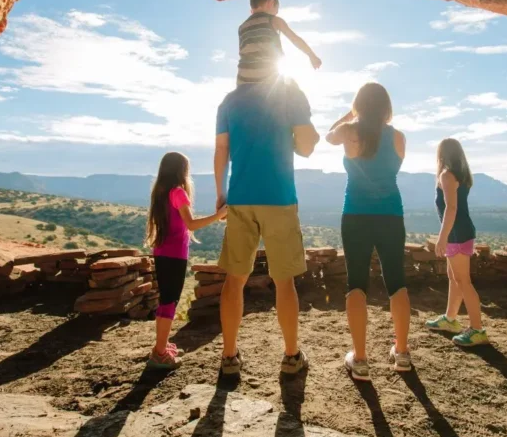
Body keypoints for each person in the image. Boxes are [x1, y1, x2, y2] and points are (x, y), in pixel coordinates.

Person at [214, 73, 319, 376]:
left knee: (234, 279)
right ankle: (291, 356)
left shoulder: (229, 101)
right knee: (284, 280)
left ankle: (229, 357)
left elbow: (221, 150)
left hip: (240, 197)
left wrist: (222, 193)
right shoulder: (287, 91)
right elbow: (308, 145)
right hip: (279, 197)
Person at [326, 82, 412, 381]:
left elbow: (328, 136)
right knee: (396, 281)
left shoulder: (350, 131)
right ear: (386, 106)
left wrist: (348, 115)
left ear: (358, 105)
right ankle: (401, 353)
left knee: (356, 283)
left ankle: (360, 359)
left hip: (356, 215)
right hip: (391, 215)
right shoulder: (399, 137)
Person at [145, 152, 228, 369]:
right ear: (181, 170)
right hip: (175, 255)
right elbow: (191, 225)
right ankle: (159, 353)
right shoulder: (178, 192)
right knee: (170, 302)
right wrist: (219, 216)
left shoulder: (161, 192)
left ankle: (161, 346)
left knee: (166, 299)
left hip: (162, 251)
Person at [425, 138, 490, 347]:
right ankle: (450, 319)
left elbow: (450, 209)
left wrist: (442, 238)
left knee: (464, 281)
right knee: (454, 278)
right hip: (462, 231)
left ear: (442, 154)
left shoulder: (446, 175)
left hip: (456, 234)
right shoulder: (461, 175)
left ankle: (477, 330)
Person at [236, 0, 322, 85]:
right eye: (275, 11)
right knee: (292, 89)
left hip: (243, 82)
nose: (275, 14)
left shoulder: (242, 27)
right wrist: (312, 56)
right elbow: (295, 39)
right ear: (271, 3)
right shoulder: (273, 20)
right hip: (267, 79)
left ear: (251, 9)